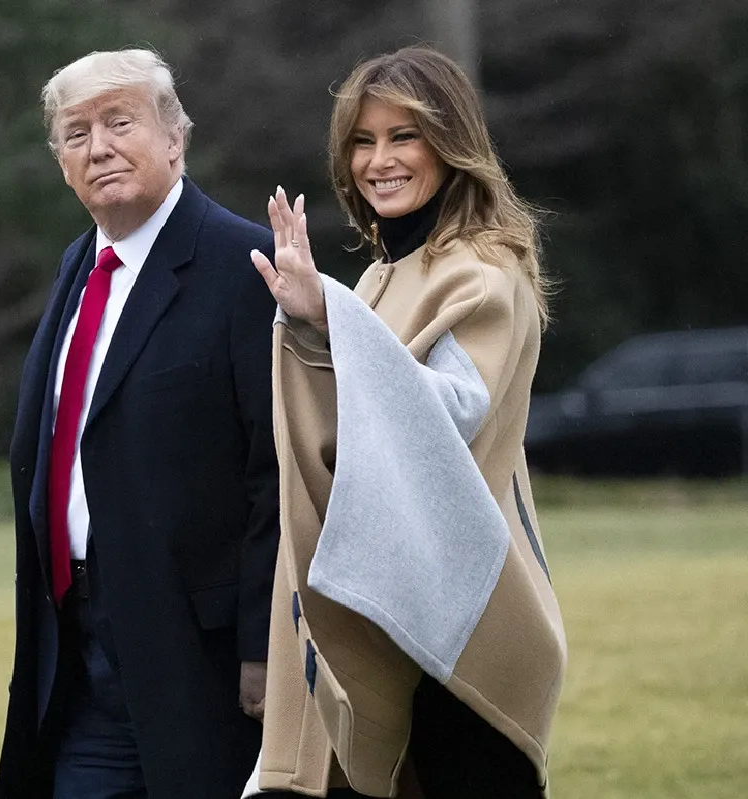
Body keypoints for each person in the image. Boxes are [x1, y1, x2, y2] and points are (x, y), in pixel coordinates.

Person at [243, 47, 567, 798]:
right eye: (363, 140)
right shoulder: (383, 273)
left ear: (451, 145)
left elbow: (453, 412)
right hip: (393, 618)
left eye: (403, 136)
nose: (377, 160)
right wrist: (320, 325)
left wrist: (331, 319)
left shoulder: (482, 271)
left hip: (464, 636)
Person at [0, 49, 281, 799]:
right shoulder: (78, 270)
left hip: (201, 659)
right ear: (60, 162)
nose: (99, 148)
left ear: (176, 137)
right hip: (76, 645)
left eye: (120, 122)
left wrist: (265, 643)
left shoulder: (246, 264)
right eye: (75, 133)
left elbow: (277, 471)